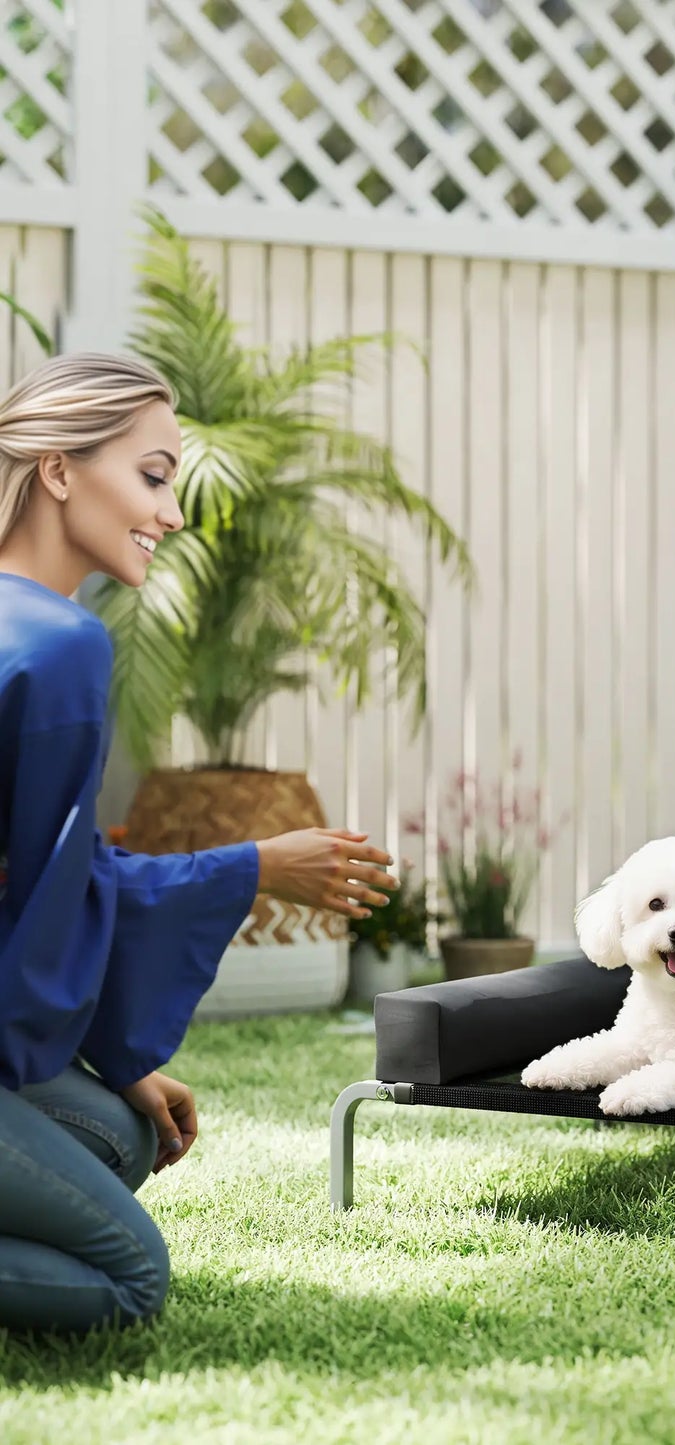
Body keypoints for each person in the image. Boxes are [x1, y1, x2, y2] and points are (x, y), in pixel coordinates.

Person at [0, 352, 397, 1335]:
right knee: (131, 1277)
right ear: (57, 470)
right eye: (153, 474)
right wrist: (261, 864)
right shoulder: (58, 644)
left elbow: (39, 887)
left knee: (118, 1131)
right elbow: (58, 890)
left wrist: (118, 1060)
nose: (171, 513)